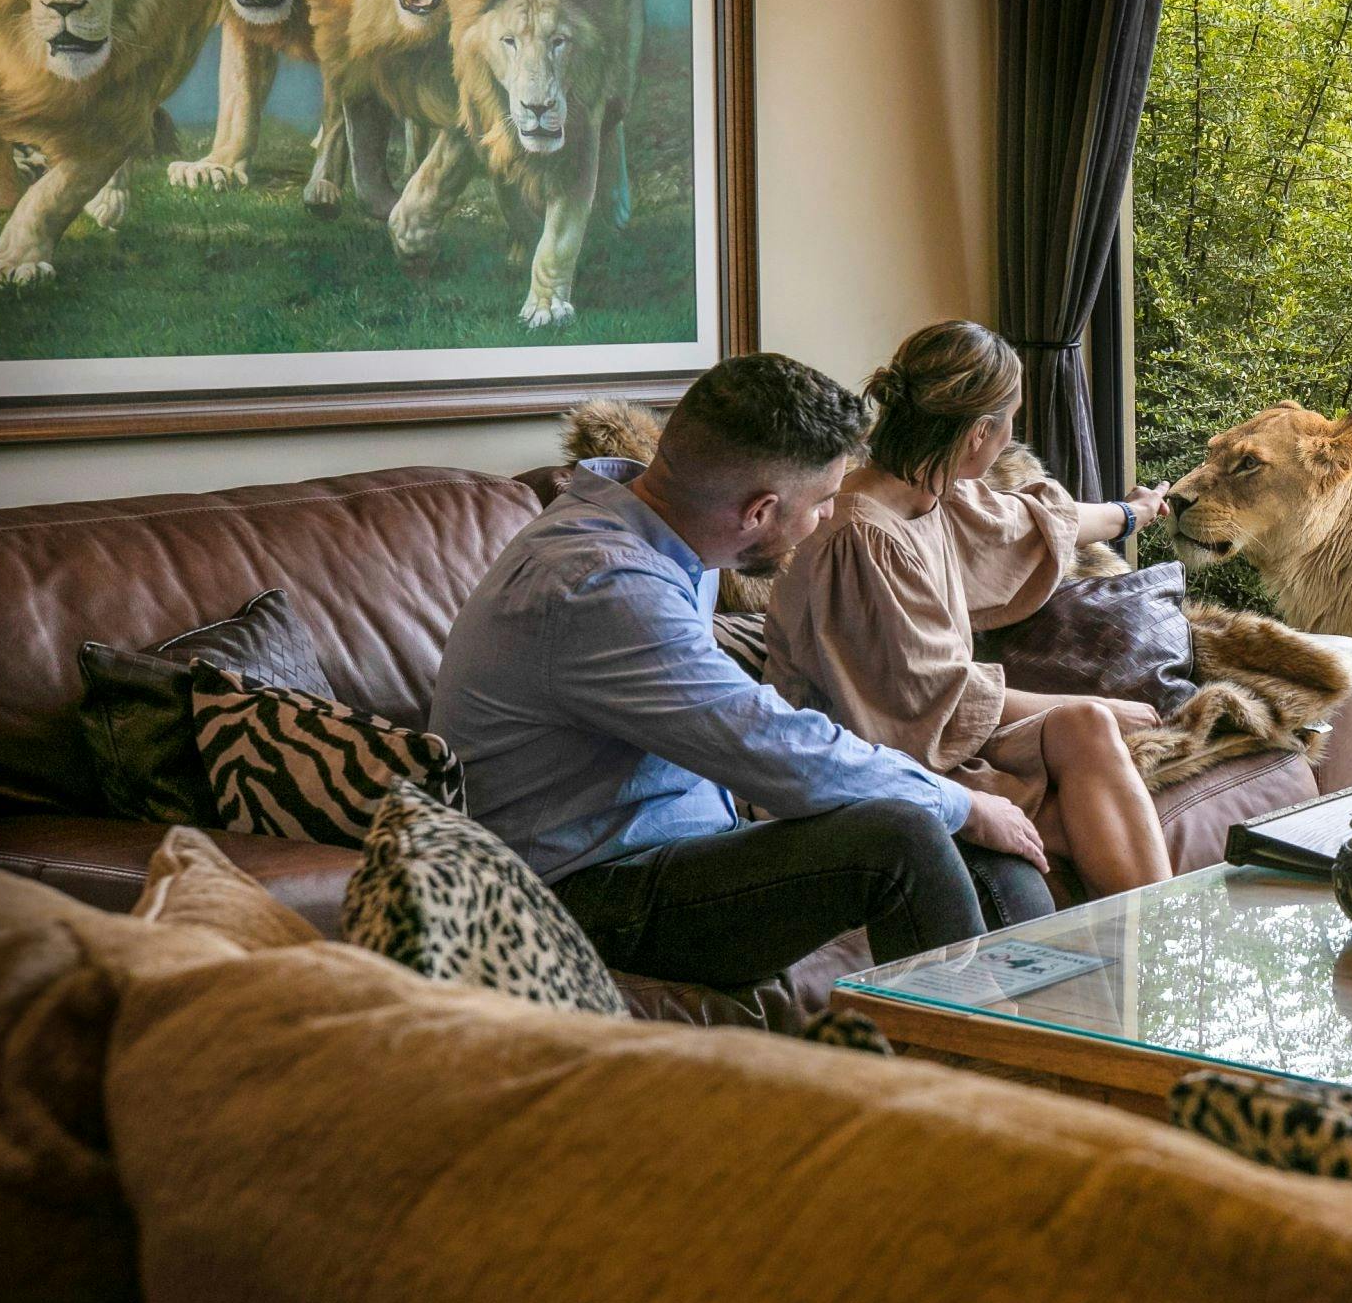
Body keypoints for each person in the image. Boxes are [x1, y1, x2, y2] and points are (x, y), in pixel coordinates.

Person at [432, 352, 1054, 989]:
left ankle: (1057, 1053)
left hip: (677, 846)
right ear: (758, 511)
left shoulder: (659, 535)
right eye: (821, 503)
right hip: (576, 895)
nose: (824, 521)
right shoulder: (603, 587)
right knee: (902, 837)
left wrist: (967, 808)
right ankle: (978, 1078)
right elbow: (769, 746)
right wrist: (961, 802)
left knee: (976, 833)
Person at [767, 321, 1176, 896]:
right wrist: (1103, 702)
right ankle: (1140, 938)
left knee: (1084, 727)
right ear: (980, 433)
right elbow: (932, 701)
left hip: (935, 730)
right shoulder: (861, 539)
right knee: (1089, 748)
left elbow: (1042, 523)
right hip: (871, 751)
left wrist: (1132, 512)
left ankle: (1149, 931)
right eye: (1010, 419)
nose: (1013, 435)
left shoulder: (934, 494)